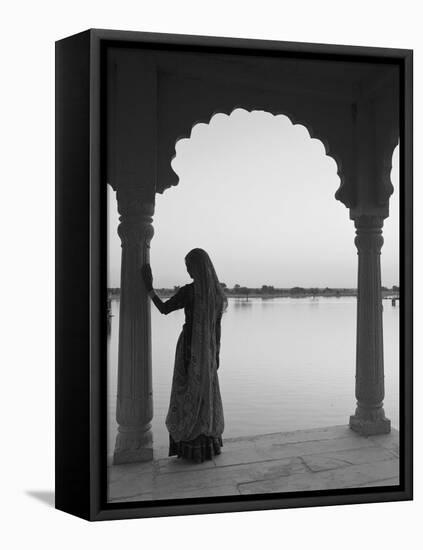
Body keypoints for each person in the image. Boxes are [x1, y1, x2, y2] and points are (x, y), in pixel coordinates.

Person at [142, 248, 227, 463]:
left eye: (189, 266)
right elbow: (217, 329)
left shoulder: (190, 292)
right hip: (207, 352)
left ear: (197, 266)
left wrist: (149, 288)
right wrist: (216, 354)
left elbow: (164, 308)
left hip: (190, 350)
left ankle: (189, 444)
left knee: (186, 394)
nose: (188, 270)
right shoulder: (216, 294)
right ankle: (207, 445)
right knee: (203, 396)